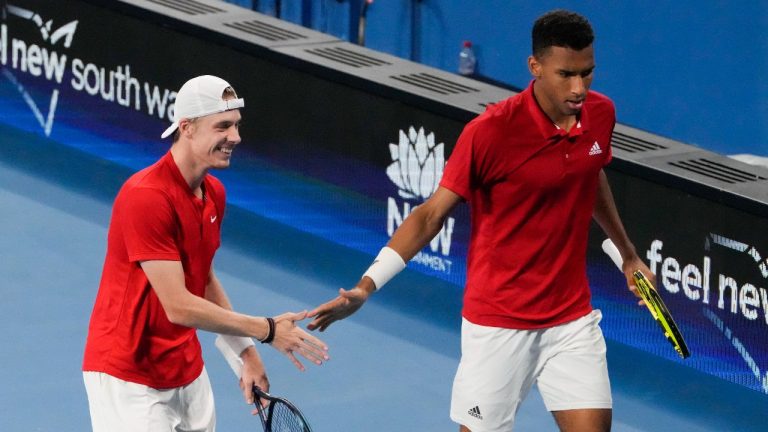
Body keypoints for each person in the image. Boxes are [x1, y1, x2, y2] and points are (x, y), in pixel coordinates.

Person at [308, 10, 653, 432]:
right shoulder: (490, 132)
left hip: (570, 319)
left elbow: (589, 172)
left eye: (587, 73)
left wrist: (629, 255)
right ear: (535, 66)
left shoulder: (600, 114)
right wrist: (366, 286)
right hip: (498, 324)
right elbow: (429, 215)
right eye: (566, 74)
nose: (579, 88)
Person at [82, 75, 329, 432]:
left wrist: (245, 354)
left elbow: (203, 277)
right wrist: (267, 329)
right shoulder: (146, 196)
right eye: (223, 126)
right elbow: (179, 306)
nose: (236, 137)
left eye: (236, 126)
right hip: (128, 377)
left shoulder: (213, 193)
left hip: (185, 370)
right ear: (187, 128)